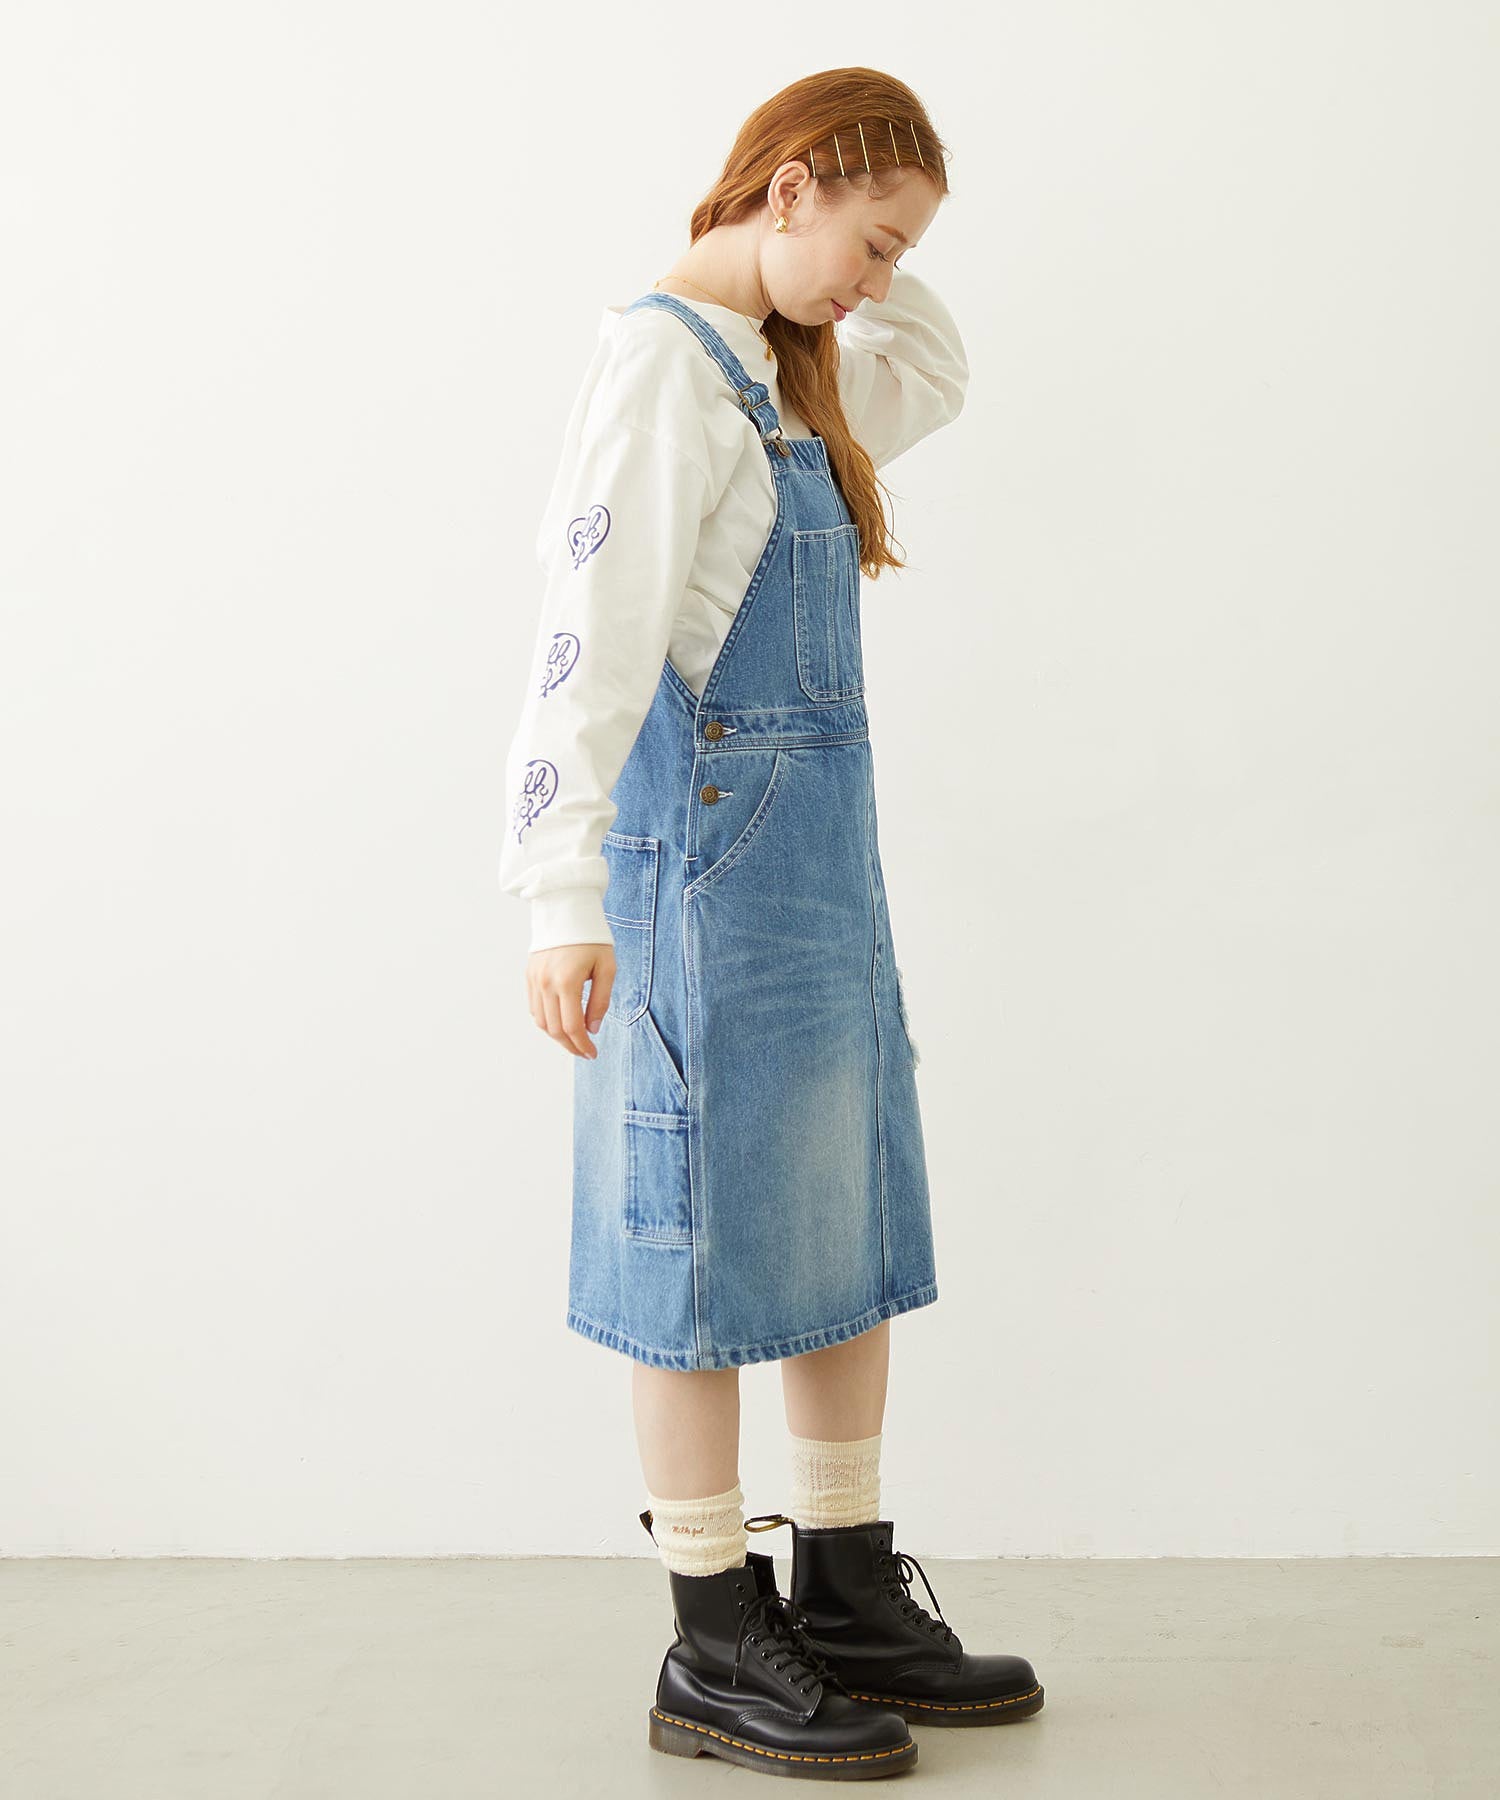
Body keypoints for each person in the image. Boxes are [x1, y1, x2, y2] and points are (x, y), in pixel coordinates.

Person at [500, 67, 1043, 1779]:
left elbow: (933, 371)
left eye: (898, 255)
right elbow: (585, 645)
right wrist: (560, 891)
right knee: (692, 1252)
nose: (877, 284)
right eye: (870, 240)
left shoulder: (778, 368)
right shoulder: (665, 367)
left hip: (817, 880)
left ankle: (847, 1585)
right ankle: (712, 1637)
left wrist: (846, 268)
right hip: (704, 881)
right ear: (787, 183)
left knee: (838, 1226)